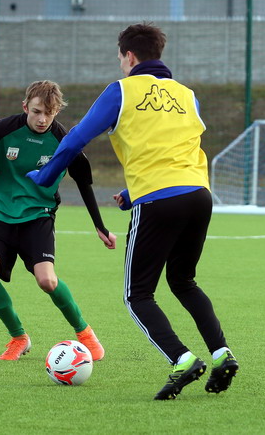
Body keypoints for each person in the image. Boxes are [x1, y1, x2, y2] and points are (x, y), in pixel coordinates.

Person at [27, 23, 239, 399]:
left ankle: (183, 359)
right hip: (199, 194)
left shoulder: (121, 91)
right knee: (184, 281)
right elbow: (175, 149)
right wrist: (131, 191)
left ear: (129, 56)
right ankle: (222, 354)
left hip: (159, 200)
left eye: (120, 57)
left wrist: (45, 176)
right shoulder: (187, 95)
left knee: (137, 294)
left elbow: (75, 139)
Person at [0, 80, 116, 362]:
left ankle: (85, 332)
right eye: (37, 111)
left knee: (47, 280)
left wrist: (100, 226)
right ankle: (18, 337)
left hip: (38, 214)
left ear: (56, 112)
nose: (42, 119)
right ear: (25, 107)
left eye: (49, 114)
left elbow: (83, 182)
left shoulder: (65, 140)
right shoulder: (4, 128)